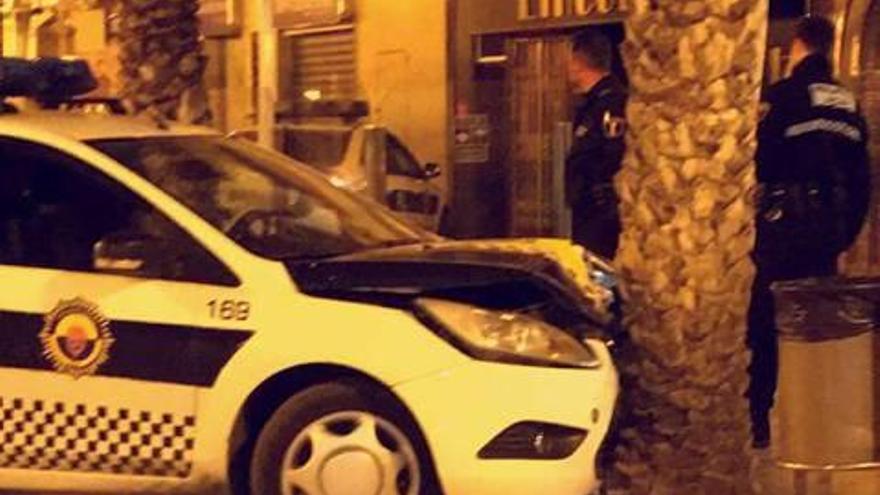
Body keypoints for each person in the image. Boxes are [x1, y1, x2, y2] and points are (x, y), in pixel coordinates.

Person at [748, 16, 871, 449]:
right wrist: (844, 233)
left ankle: (759, 421)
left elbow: (758, 162)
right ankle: (818, 424)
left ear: (798, 45)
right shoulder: (849, 104)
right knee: (818, 329)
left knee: (763, 322)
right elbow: (862, 179)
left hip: (783, 231)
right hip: (828, 232)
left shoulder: (784, 97)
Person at [565, 29, 628, 260]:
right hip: (588, 211)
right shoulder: (592, 103)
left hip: (601, 215)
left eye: (570, 59)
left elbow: (614, 155)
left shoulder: (610, 103)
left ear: (577, 61)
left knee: (601, 275)